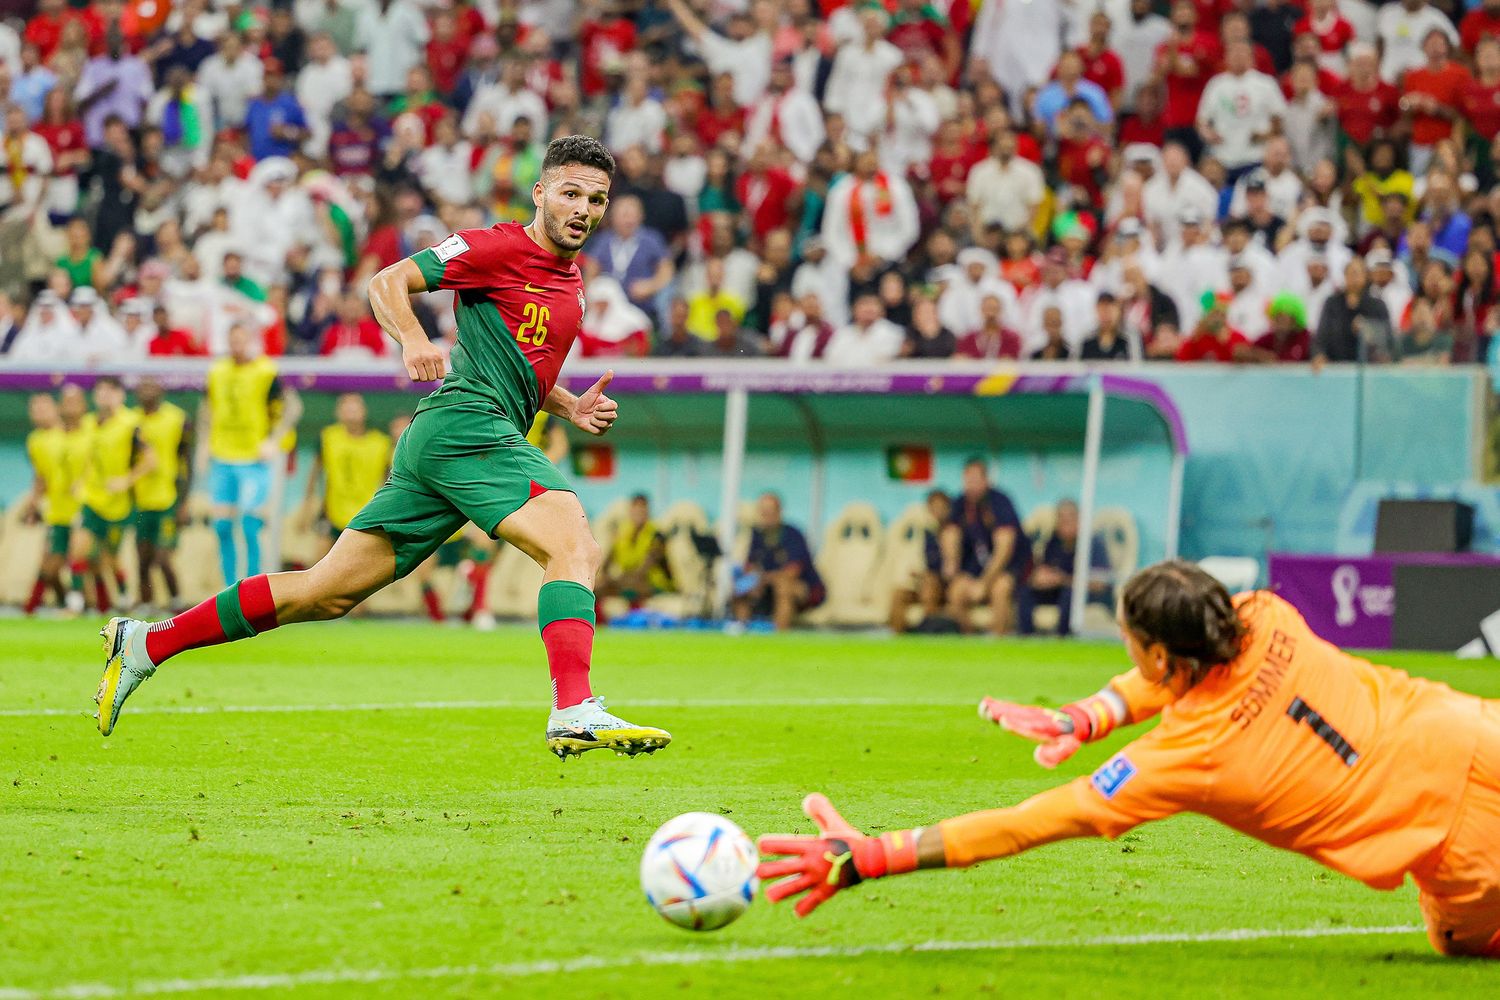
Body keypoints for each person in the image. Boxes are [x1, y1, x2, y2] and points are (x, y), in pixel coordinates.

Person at [94, 136, 671, 763]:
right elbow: (387, 280)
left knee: (324, 592)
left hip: (454, 438)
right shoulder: (495, 246)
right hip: (466, 425)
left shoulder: (573, 281)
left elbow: (520, 366)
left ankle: (147, 643)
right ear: (540, 192)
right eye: (570, 193)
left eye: (597, 199)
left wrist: (568, 404)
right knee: (573, 545)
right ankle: (573, 706)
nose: (584, 209)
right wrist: (415, 338)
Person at [759, 561, 1500, 963]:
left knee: (1453, 942)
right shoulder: (1270, 614)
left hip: (1459, 848)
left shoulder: (1186, 757)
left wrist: (874, 856)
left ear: (1154, 654)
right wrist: (1088, 715)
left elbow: (1034, 820)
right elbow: (1183, 665)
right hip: (1477, 731)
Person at [200, 323, 303, 590]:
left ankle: (251, 588)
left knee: (249, 525)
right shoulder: (217, 371)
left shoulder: (266, 372)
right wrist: (203, 445)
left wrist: (273, 440)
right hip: (222, 456)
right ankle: (227, 589)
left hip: (253, 459)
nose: (237, 346)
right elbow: (207, 407)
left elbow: (293, 406)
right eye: (233, 340)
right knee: (222, 527)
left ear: (251, 342)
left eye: (242, 340)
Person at [77, 376, 155, 616]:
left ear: (120, 395)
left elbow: (151, 460)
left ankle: (122, 598)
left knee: (110, 558)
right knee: (79, 548)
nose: (104, 396)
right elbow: (89, 457)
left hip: (118, 504)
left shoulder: (131, 423)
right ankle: (75, 603)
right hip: (91, 498)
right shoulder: (88, 422)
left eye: (110, 391)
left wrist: (126, 480)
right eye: (100, 391)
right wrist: (81, 480)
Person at [300, 393, 391, 562]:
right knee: (317, 563)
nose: (350, 412)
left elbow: (390, 480)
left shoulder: (380, 443)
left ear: (364, 411)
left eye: (355, 408)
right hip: (332, 512)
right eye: (346, 408)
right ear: (338, 413)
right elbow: (314, 473)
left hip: (365, 514)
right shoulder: (328, 437)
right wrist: (306, 509)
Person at [941, 458, 1026, 636]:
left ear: (986, 480)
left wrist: (984, 583)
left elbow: (1005, 547)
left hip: (1006, 569)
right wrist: (952, 564)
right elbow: (950, 534)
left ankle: (998, 641)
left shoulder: (1000, 502)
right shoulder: (960, 503)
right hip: (975, 568)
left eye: (975, 479)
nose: (970, 485)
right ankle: (969, 641)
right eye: (967, 480)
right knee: (956, 591)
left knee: (1000, 588)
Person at [132, 378, 191, 614]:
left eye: (151, 386)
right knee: (143, 556)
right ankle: (147, 603)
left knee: (163, 556)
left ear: (161, 391)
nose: (147, 390)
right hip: (140, 500)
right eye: (142, 386)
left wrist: (184, 500)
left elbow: (186, 460)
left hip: (168, 498)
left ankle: (177, 601)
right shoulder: (132, 422)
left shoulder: (177, 419)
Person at [1016, 499, 1112, 637]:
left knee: (1069, 595)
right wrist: (1040, 578)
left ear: (1080, 520)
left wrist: (1062, 579)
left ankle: (1063, 639)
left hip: (1087, 595)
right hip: (1057, 591)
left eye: (1070, 518)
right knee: (1026, 592)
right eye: (1061, 518)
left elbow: (1099, 584)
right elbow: (1044, 569)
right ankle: (1026, 639)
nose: (1065, 523)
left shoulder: (1093, 544)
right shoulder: (1054, 542)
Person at [733, 492, 825, 632]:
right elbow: (750, 565)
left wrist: (764, 579)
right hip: (767, 586)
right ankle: (741, 631)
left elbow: (792, 572)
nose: (767, 514)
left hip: (803, 589)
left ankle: (779, 635)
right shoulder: (757, 536)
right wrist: (753, 581)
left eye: (770, 510)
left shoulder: (793, 534)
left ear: (779, 511)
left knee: (782, 586)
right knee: (742, 589)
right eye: (763, 511)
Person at [22, 393, 79, 615]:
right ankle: (67, 605)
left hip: (79, 508)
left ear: (56, 408)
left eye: (44, 408)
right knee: (51, 566)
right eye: (35, 409)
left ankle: (92, 607)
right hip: (55, 511)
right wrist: (33, 504)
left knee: (88, 562)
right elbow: (41, 477)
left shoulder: (68, 433)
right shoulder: (34, 440)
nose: (39, 413)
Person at [595, 493, 674, 612]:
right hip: (626, 581)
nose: (639, 512)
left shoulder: (657, 535)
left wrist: (616, 581)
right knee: (598, 587)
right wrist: (603, 578)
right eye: (636, 508)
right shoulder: (622, 532)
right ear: (630, 510)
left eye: (643, 508)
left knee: (635, 586)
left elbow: (642, 571)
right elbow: (607, 563)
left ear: (648, 511)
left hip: (652, 584)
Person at [888, 489, 951, 635]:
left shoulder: (952, 533)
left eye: (941, 508)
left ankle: (928, 635)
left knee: (929, 586)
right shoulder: (923, 534)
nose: (937, 512)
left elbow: (948, 568)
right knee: (898, 594)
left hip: (940, 585)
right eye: (933, 507)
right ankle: (898, 639)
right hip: (919, 582)